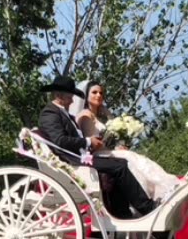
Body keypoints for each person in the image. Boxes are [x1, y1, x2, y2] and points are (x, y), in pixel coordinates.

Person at [36, 75, 158, 218]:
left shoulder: (64, 113)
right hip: (71, 160)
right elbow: (60, 140)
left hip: (81, 156)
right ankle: (146, 207)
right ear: (58, 95)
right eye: (70, 96)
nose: (73, 100)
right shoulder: (50, 113)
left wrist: (93, 144)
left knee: (119, 165)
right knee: (120, 166)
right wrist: (88, 141)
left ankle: (123, 213)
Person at [69, 80, 183, 203]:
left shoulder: (102, 113)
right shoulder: (85, 116)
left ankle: (163, 187)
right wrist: (109, 145)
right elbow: (91, 144)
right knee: (129, 157)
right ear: (86, 96)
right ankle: (146, 198)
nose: (98, 95)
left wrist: (117, 145)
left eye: (101, 93)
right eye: (94, 92)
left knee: (134, 157)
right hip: (97, 154)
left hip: (107, 151)